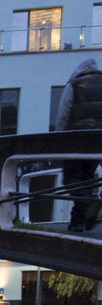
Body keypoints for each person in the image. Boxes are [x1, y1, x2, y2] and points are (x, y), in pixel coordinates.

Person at [54, 58, 102, 232]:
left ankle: (89, 205)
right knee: (88, 177)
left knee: (71, 179)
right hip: (98, 141)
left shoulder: (74, 84)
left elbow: (63, 114)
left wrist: (59, 138)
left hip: (76, 140)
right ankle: (78, 222)